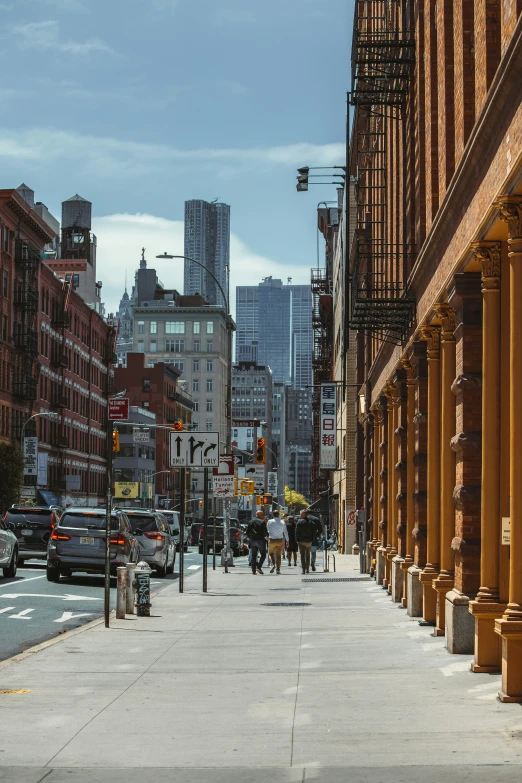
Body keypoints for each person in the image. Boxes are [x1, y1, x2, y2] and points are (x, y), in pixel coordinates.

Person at [246, 510, 268, 575]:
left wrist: (250, 538)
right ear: (260, 515)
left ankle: (253, 571)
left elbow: (247, 532)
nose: (263, 516)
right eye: (262, 514)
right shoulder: (262, 522)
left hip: (252, 540)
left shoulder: (250, 521)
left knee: (253, 556)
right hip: (260, 540)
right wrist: (267, 536)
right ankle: (258, 566)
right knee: (263, 554)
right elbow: (265, 532)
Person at [267, 510, 289, 574]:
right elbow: (285, 532)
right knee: (279, 555)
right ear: (279, 515)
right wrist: (287, 540)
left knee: (271, 554)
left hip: (272, 540)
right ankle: (278, 569)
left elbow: (268, 530)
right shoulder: (282, 522)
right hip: (280, 540)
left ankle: (273, 564)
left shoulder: (269, 521)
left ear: (273, 515)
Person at [295, 509, 315, 574]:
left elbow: (297, 531)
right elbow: (314, 533)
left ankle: (303, 570)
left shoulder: (299, 522)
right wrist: (312, 539)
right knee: (308, 555)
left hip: (301, 541)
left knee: (302, 556)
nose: (300, 515)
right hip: (309, 541)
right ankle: (307, 569)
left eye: (301, 514)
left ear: (303, 515)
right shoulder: (311, 523)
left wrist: (297, 540)